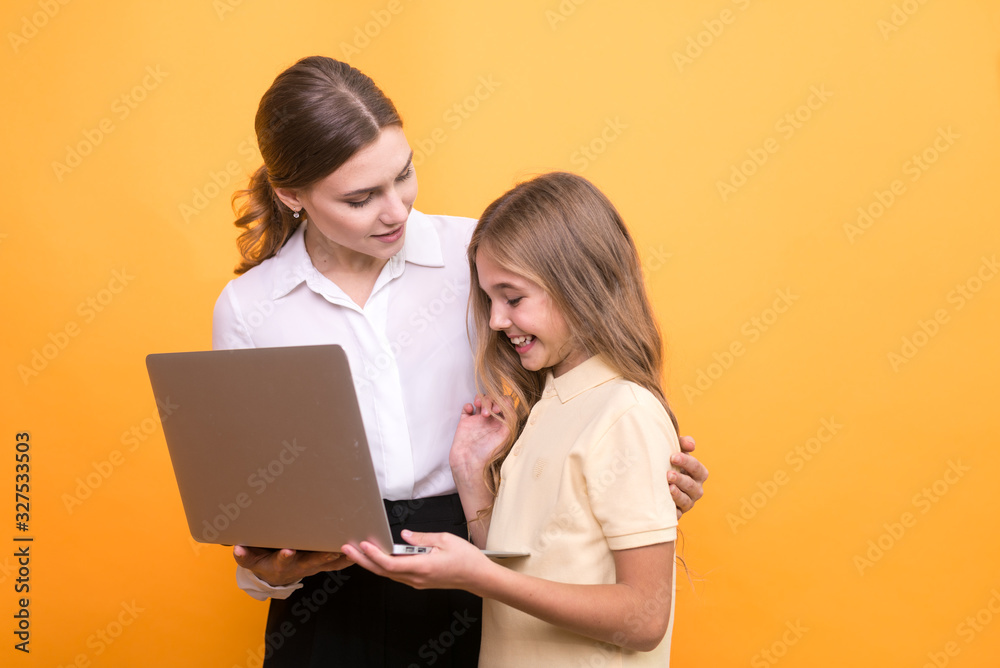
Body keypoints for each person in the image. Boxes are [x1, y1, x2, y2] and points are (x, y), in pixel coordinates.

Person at [213, 56, 708, 667]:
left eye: (404, 174)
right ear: (293, 197)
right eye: (362, 197)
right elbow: (256, 498)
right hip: (330, 593)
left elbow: (576, 404)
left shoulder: (477, 255)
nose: (395, 210)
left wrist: (641, 483)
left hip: (474, 563)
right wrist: (273, 571)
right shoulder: (249, 308)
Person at [343, 172, 683, 666]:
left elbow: (645, 619)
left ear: (580, 283)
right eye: (490, 300)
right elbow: (521, 564)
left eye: (514, 298)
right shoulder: (547, 403)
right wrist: (469, 473)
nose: (497, 320)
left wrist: (479, 577)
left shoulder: (624, 412)